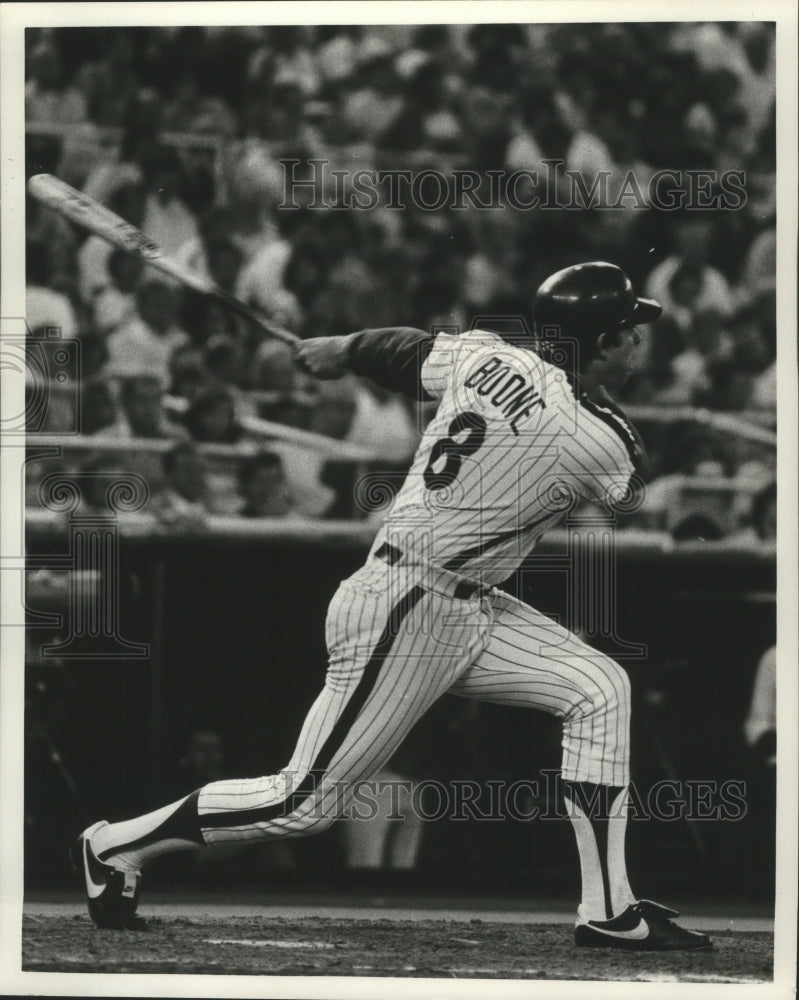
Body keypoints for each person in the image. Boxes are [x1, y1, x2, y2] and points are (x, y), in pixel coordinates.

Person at [72, 261, 711, 951]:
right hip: (405, 608)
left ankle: (608, 909)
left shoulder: (483, 354)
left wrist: (340, 347)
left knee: (598, 688)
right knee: (301, 805)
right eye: (629, 333)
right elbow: (627, 487)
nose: (639, 345)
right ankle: (115, 845)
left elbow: (405, 350)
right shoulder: (596, 432)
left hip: (463, 604)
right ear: (605, 340)